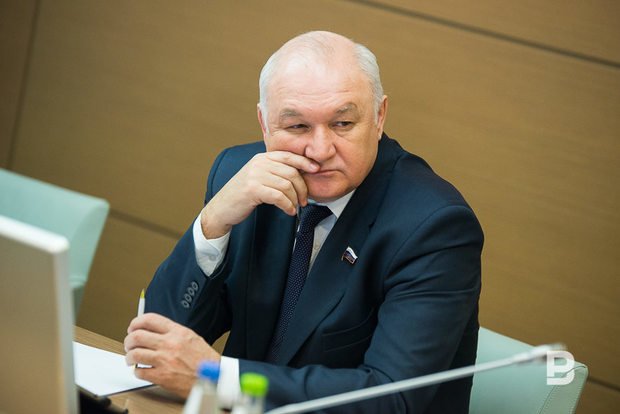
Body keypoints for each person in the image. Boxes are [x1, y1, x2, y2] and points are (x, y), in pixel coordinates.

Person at [124, 30, 483, 413]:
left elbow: (390, 398)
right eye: (297, 127)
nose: (320, 150)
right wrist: (213, 223)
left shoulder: (434, 226)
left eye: (342, 123)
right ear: (264, 123)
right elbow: (157, 345)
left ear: (379, 117)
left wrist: (219, 377)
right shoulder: (242, 179)